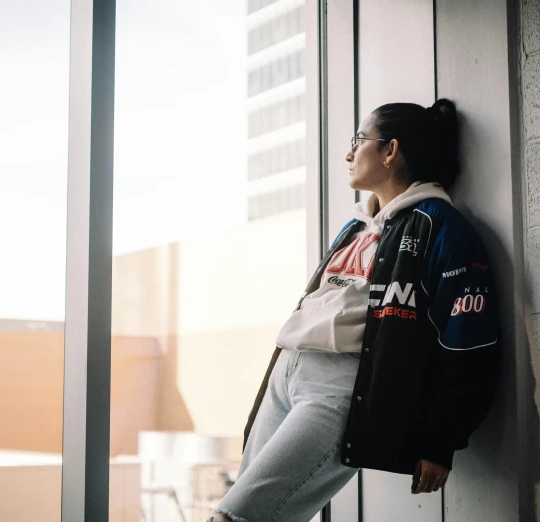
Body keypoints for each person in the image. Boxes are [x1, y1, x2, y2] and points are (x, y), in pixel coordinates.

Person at [208, 99, 501, 522]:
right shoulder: (355, 227)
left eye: (358, 141)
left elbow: (469, 343)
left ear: (390, 150)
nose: (348, 154)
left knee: (235, 516)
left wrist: (441, 441)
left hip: (340, 388)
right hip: (287, 372)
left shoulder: (442, 226)